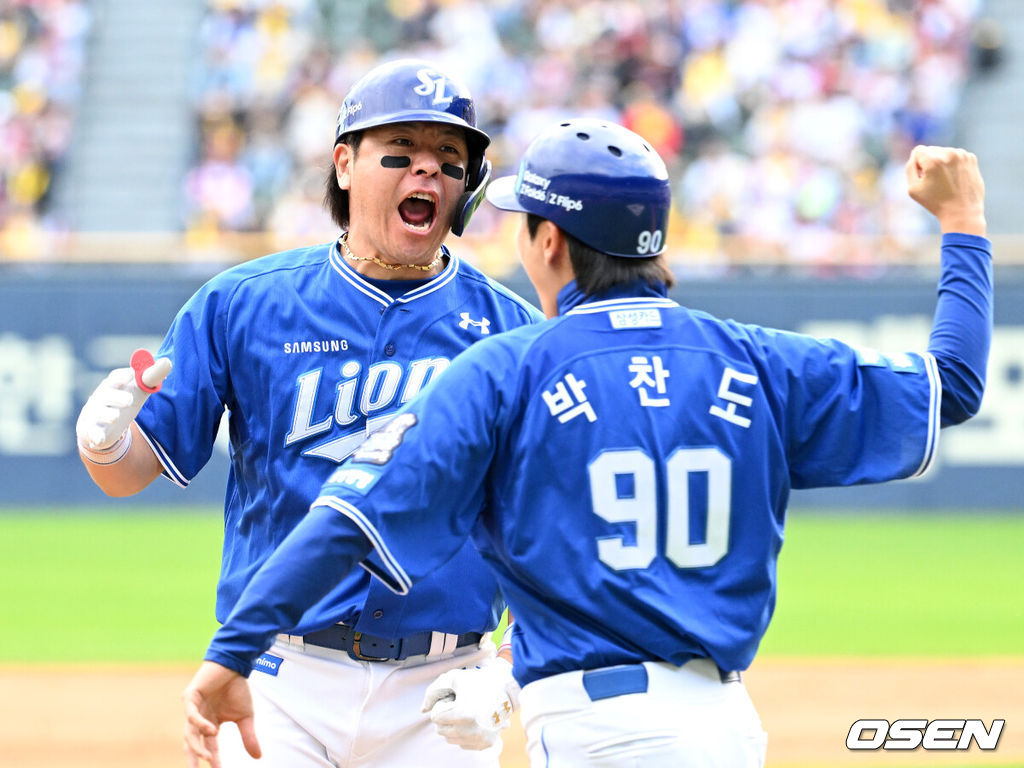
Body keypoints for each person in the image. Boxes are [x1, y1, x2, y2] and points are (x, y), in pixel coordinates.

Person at [180, 119, 992, 767]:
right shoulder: (756, 360)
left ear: (550, 242)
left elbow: (347, 521)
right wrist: (963, 223)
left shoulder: (508, 367)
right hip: (726, 728)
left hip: (594, 733)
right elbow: (951, 384)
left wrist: (232, 652)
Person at [75, 58, 543, 768]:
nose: (427, 173)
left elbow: (553, 534)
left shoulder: (513, 331)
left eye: (450, 160)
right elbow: (131, 472)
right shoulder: (243, 303)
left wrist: (506, 672)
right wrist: (105, 444)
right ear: (345, 165)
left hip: (445, 691)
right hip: (277, 676)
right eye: (401, 153)